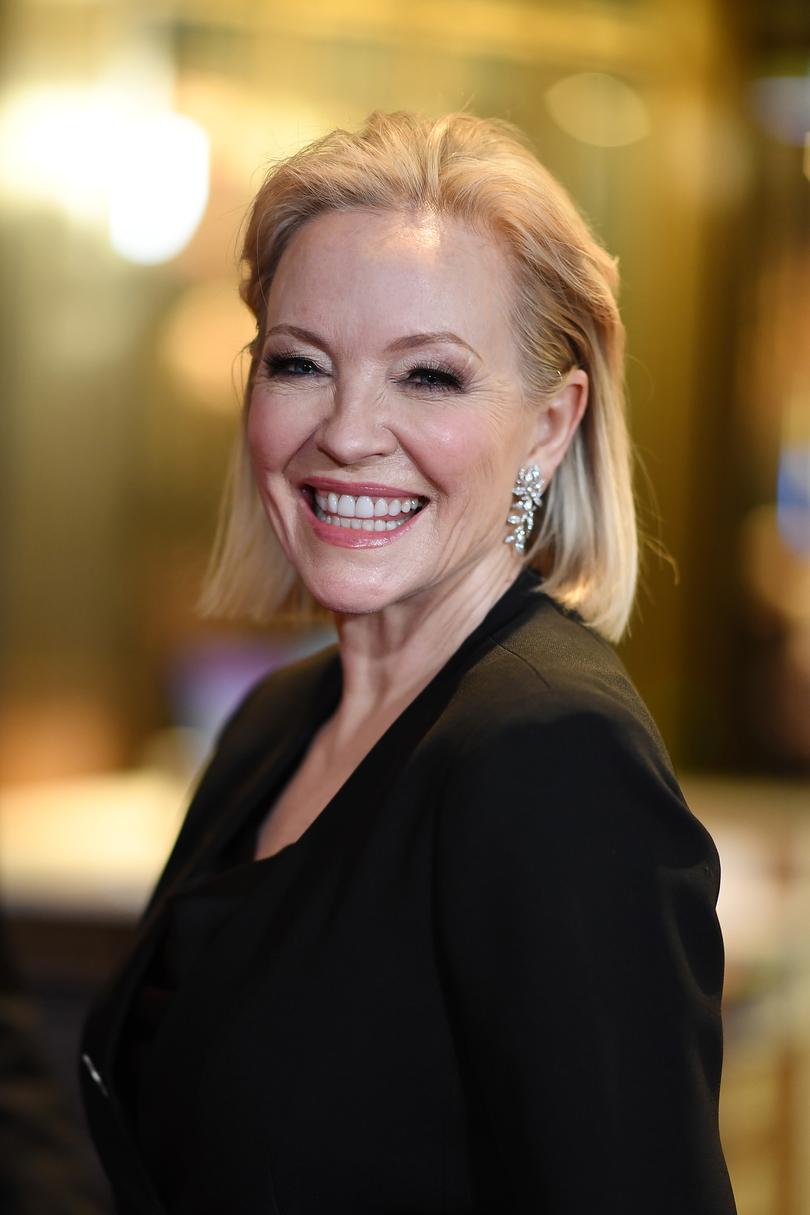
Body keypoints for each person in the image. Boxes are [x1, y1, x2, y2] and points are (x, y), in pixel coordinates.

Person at [80, 110, 737, 1214]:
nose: (346, 432)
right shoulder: (281, 718)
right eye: (299, 364)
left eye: (427, 377)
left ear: (550, 423)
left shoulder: (550, 757)